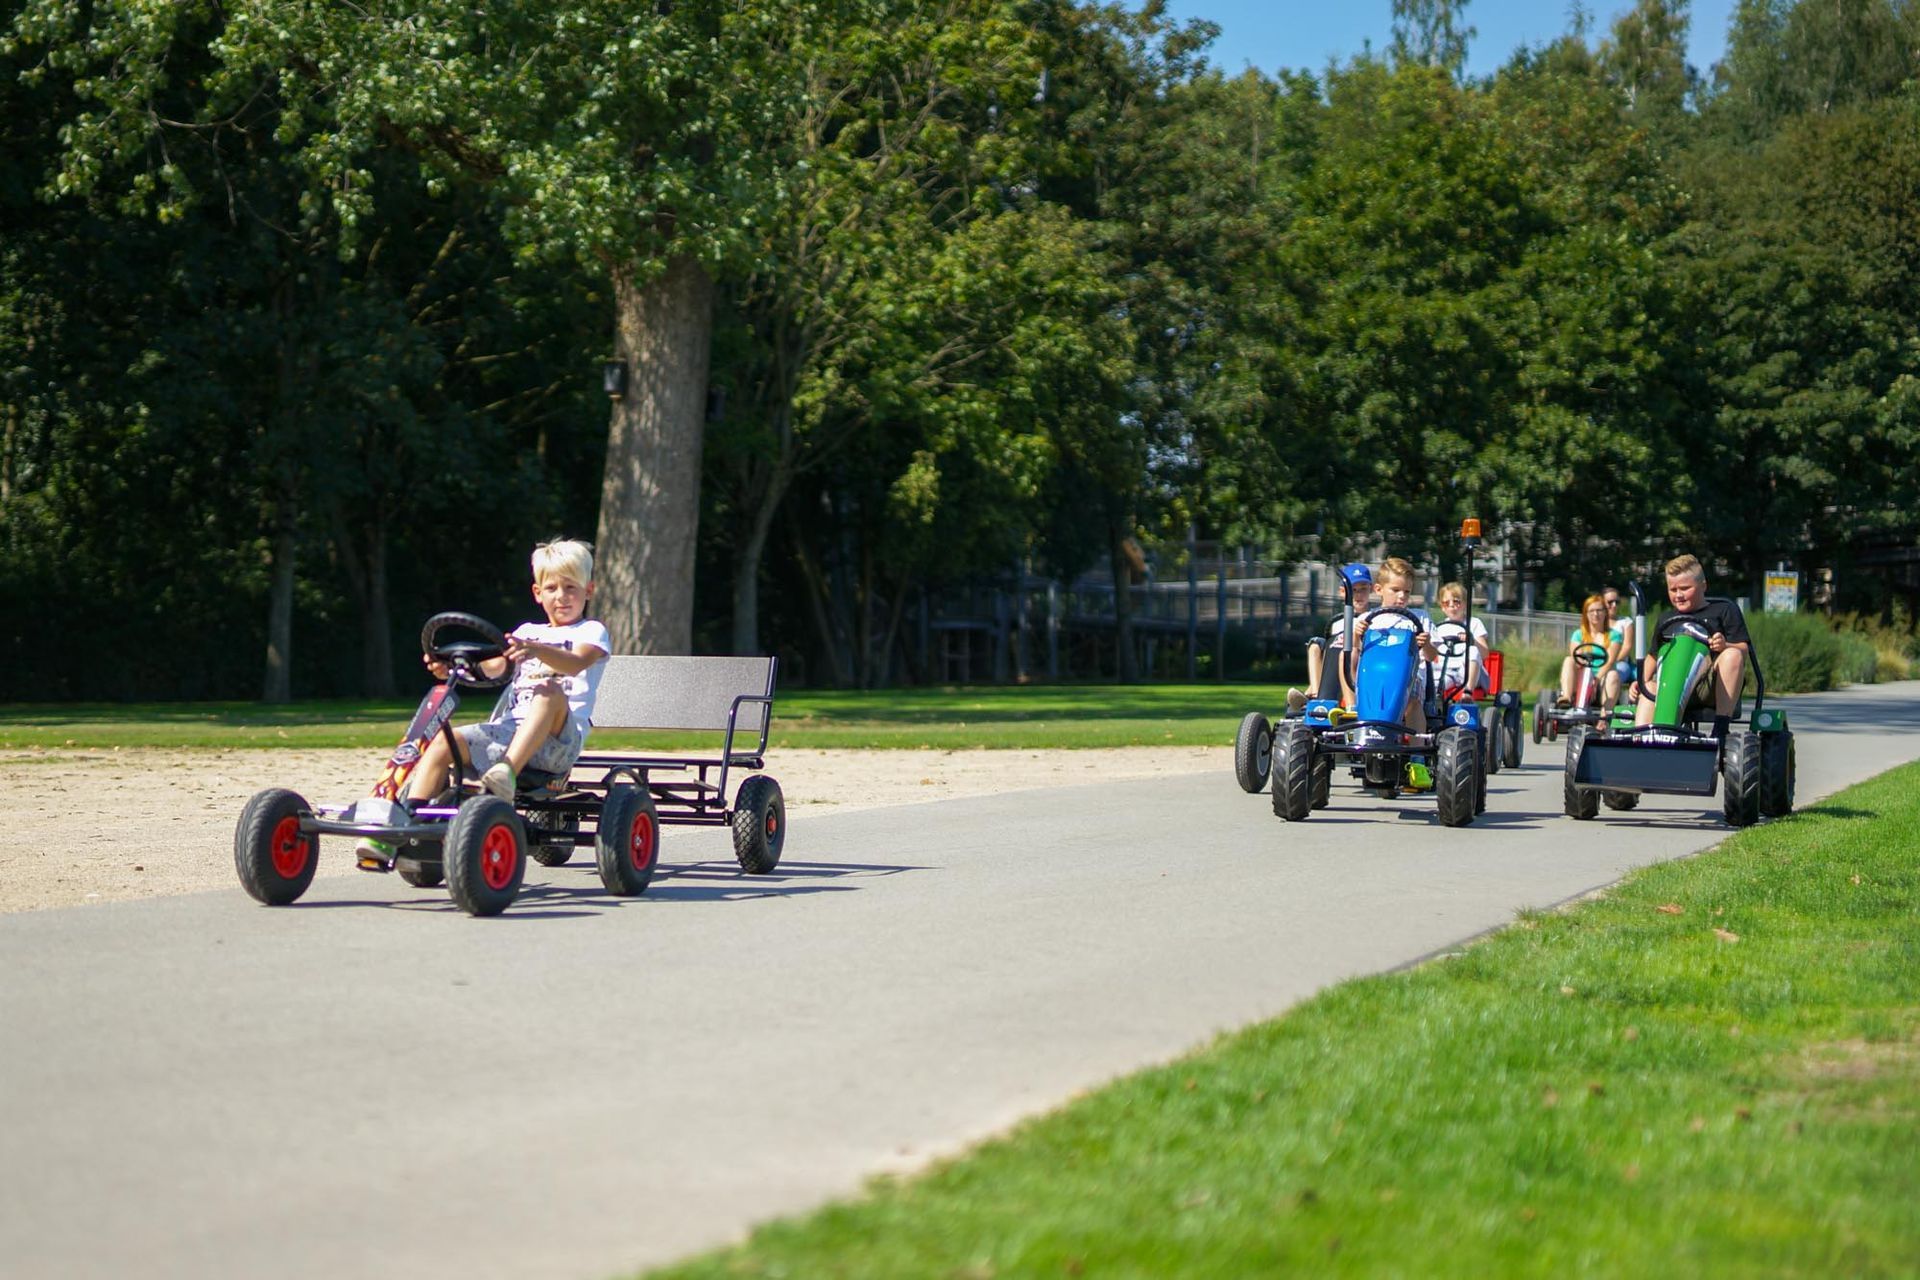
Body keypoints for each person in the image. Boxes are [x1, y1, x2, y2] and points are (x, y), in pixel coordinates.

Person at [356, 539, 612, 869]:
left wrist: (536, 650)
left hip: (559, 742)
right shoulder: (527, 632)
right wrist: (456, 668)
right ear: (537, 593)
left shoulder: (591, 631)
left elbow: (576, 663)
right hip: (510, 732)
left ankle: (506, 774)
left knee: (548, 690)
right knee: (443, 742)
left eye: (570, 588)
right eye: (552, 588)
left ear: (588, 591)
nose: (561, 596)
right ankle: (408, 822)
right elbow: (496, 667)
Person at [1633, 554, 1750, 736]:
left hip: (1708, 687)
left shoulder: (1723, 610)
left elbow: (1743, 649)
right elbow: (1653, 655)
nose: (1678, 595)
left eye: (1685, 588)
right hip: (1671, 683)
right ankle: (1640, 738)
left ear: (1703, 586)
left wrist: (1724, 645)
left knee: (1733, 654)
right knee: (1648, 686)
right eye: (1673, 590)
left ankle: (1721, 728)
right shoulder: (1666, 619)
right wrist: (1640, 681)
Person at [1341, 556, 1440, 729]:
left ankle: (1417, 744)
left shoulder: (1420, 618)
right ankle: (1354, 712)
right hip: (1373, 675)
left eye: (1407, 592)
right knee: (1346, 655)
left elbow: (1432, 656)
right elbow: (1355, 650)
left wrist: (1426, 644)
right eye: (1395, 590)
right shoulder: (1367, 619)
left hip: (1410, 678)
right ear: (1379, 589)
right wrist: (1357, 635)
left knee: (1413, 702)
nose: (1402, 596)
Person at [1426, 580, 1489, 700]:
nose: (1452, 606)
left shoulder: (1474, 623)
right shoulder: (1439, 628)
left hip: (1467, 671)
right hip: (1446, 671)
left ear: (1465, 604)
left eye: (1456, 601)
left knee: (1473, 650)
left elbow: (1485, 653)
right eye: (1446, 603)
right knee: (1432, 682)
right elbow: (1431, 652)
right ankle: (1431, 703)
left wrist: (1472, 640)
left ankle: (1468, 692)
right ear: (1442, 607)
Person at [1557, 594, 1614, 708]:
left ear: (1605, 613)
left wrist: (1595, 680)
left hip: (1602, 677)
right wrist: (1587, 676)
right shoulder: (1578, 635)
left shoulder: (1613, 636)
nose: (1595, 614)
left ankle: (1606, 711)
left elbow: (1610, 661)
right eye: (1592, 611)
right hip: (1582, 674)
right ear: (1586, 614)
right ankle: (1567, 697)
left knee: (1613, 675)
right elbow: (1576, 657)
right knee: (1569, 660)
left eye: (1599, 610)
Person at [1602, 585, 1634, 703]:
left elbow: (1627, 647)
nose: (1614, 605)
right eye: (1610, 602)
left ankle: (1607, 706)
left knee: (1613, 674)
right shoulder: (1597, 622)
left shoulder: (1625, 622)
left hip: (1619, 663)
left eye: (1617, 602)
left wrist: (1611, 662)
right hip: (1598, 662)